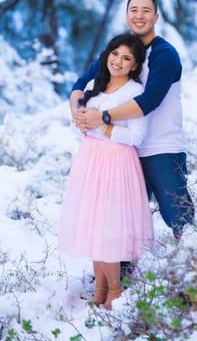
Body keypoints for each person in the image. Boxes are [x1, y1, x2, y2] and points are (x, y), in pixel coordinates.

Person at [71, 0, 194, 261]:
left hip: (161, 148)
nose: (139, 15)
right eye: (133, 9)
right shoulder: (120, 51)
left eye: (146, 10)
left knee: (179, 217)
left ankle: (196, 280)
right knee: (118, 221)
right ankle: (121, 284)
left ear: (156, 16)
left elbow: (149, 100)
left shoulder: (164, 54)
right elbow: (80, 85)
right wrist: (79, 113)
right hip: (125, 151)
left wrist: (101, 117)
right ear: (126, 15)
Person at [58, 33, 154, 310]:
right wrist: (82, 123)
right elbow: (81, 126)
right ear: (107, 55)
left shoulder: (135, 92)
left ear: (135, 65)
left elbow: (136, 136)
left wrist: (100, 125)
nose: (118, 61)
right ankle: (100, 289)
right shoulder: (94, 86)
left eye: (126, 58)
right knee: (93, 224)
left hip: (116, 161)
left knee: (109, 227)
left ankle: (115, 289)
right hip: (90, 158)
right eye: (115, 54)